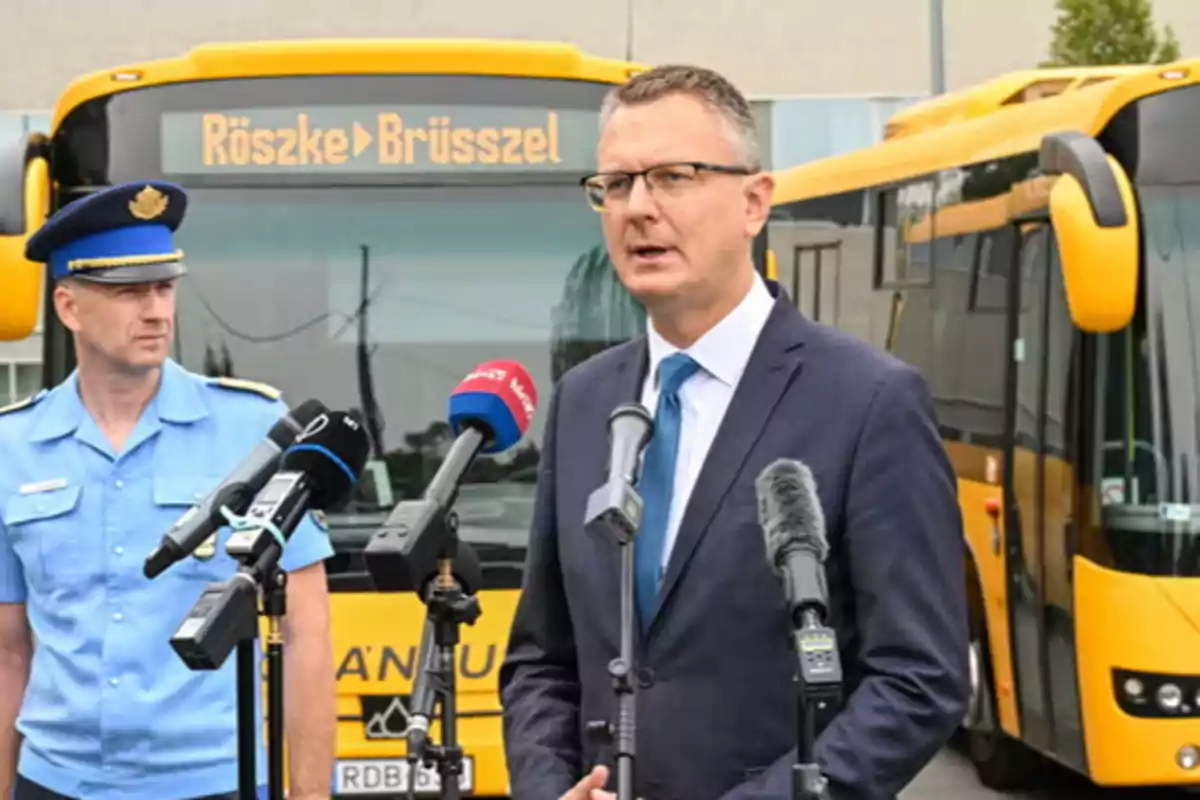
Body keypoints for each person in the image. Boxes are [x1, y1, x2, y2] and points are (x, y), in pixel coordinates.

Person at [499, 65, 969, 800]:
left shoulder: (869, 402)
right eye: (616, 185)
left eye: (674, 177)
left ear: (755, 201)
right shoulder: (584, 402)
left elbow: (919, 681)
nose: (638, 209)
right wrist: (547, 785)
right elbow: (542, 658)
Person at [0, 182, 337, 800]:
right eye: (130, 292)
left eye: (164, 287)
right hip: (55, 782)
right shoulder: (11, 445)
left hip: (217, 782)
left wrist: (311, 794)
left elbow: (306, 633)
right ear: (69, 308)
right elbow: (6, 653)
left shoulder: (254, 429)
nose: (156, 311)